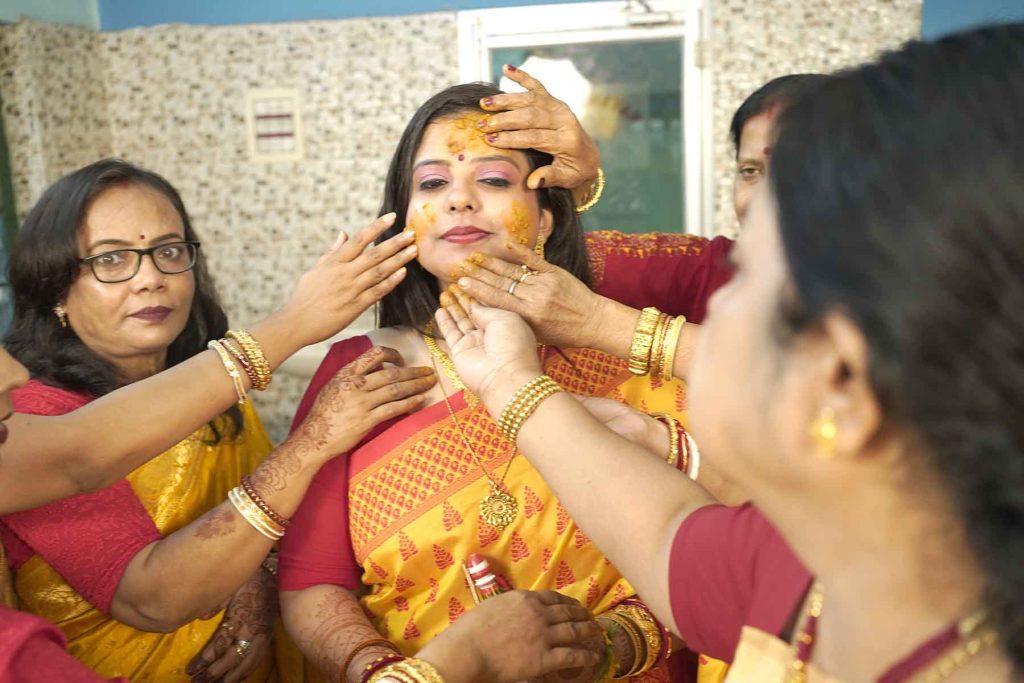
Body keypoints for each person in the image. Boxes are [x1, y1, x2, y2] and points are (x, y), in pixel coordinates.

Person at [436, 22, 1024, 681]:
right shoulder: (820, 562)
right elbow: (665, 536)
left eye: (754, 279)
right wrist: (513, 385)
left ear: (839, 376)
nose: (714, 300)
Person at [277, 80, 723, 682]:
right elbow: (311, 580)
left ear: (545, 221)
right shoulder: (361, 374)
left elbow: (714, 546)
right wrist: (383, 671)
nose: (459, 200)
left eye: (491, 180)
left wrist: (610, 645)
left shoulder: (620, 359)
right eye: (432, 184)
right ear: (405, 223)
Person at [0, 159, 437, 683]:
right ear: (54, 289)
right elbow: (152, 600)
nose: (151, 280)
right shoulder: (27, 413)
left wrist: (257, 582)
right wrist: (311, 441)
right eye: (112, 259)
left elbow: (276, 533)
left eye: (167, 252)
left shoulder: (207, 390)